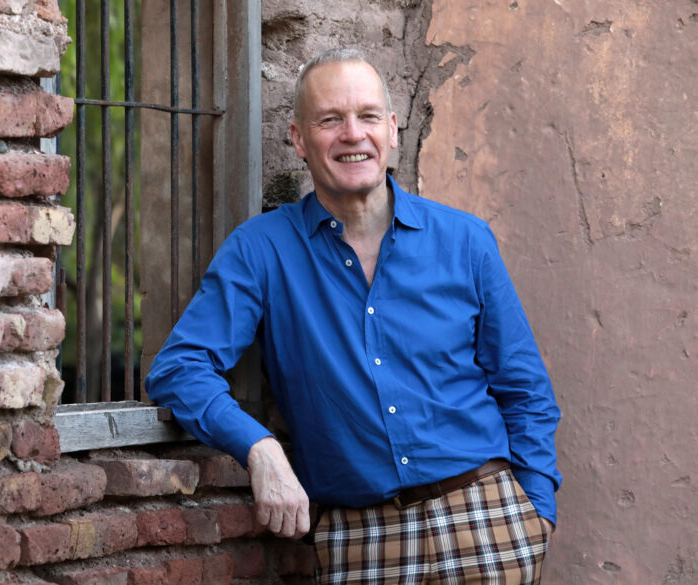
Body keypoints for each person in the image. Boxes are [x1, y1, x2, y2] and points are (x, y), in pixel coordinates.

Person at [146, 48, 561, 584]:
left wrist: (536, 513)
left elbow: (523, 388)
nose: (351, 134)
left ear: (392, 130)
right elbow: (180, 368)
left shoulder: (465, 241)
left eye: (367, 116)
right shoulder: (261, 250)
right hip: (359, 537)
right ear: (298, 138)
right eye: (329, 120)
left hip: (486, 517)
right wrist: (260, 449)